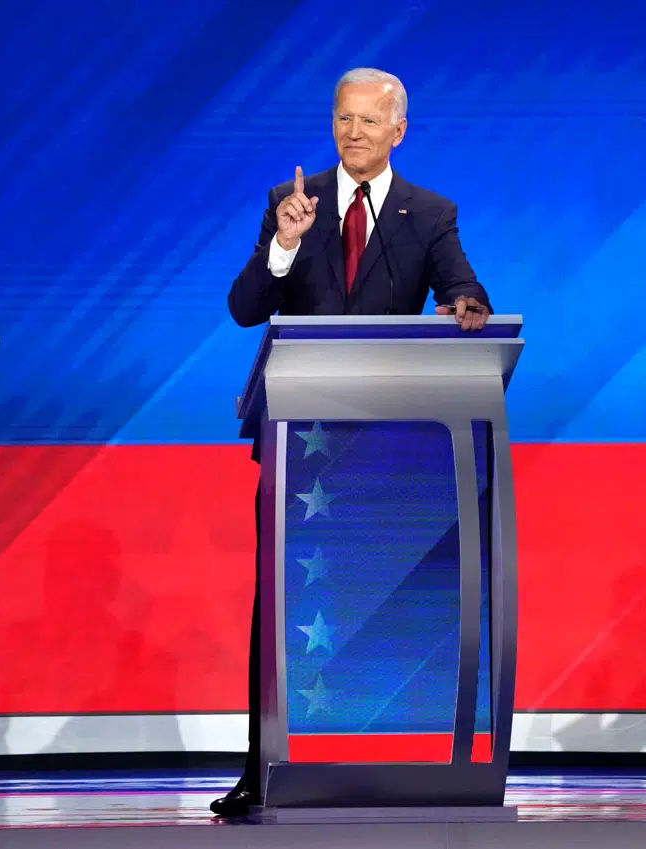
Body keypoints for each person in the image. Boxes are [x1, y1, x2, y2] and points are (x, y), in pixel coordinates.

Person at [215, 67, 492, 818]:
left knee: (396, 599)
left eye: (370, 120)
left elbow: (465, 288)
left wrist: (466, 303)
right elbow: (244, 308)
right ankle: (260, 767)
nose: (354, 133)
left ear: (398, 130)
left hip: (390, 446)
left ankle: (400, 761)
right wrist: (283, 243)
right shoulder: (291, 204)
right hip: (298, 442)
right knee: (279, 604)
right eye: (344, 118)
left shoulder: (428, 213)